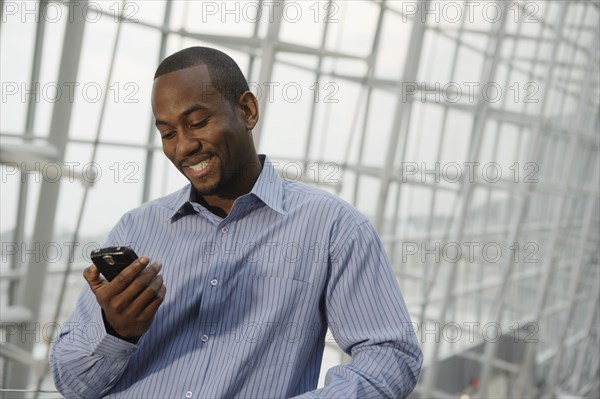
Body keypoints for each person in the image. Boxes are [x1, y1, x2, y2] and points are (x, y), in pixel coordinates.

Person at [50, 47, 422, 398]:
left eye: (197, 122)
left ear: (247, 110)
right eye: (167, 133)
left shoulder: (333, 228)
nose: (182, 147)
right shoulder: (137, 228)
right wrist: (117, 331)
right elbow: (72, 383)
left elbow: (391, 355)